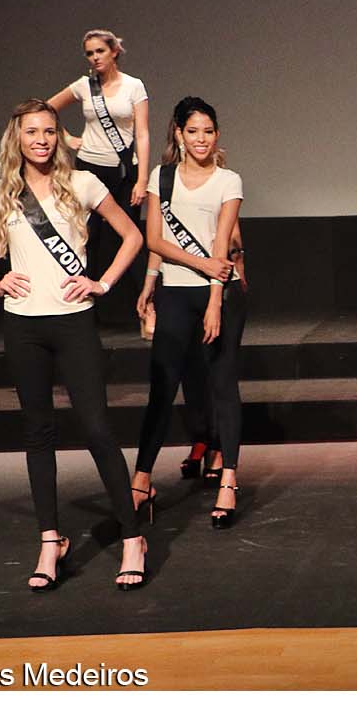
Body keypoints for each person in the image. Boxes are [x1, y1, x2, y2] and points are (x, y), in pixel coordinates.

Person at [0, 99, 148, 590]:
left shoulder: (82, 183)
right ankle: (50, 540)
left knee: (98, 429)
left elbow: (132, 236)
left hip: (75, 323)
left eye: (50, 131)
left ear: (59, 136)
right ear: (17, 137)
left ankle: (132, 537)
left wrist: (102, 282)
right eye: (32, 131)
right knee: (38, 433)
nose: (41, 139)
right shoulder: (0, 192)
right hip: (24, 327)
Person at [130, 97, 247, 529]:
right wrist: (156, 280)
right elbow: (155, 241)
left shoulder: (228, 181)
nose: (201, 139)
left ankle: (229, 479)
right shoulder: (161, 178)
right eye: (193, 131)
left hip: (221, 295)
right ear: (178, 133)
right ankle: (141, 481)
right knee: (163, 386)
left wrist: (216, 299)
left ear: (217, 135)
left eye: (209, 131)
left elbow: (222, 246)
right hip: (178, 292)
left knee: (223, 384)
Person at [46, 29, 150, 318]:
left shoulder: (133, 86)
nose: (94, 58)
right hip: (89, 170)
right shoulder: (84, 86)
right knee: (84, 237)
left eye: (100, 51)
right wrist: (66, 138)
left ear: (114, 51)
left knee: (130, 238)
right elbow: (46, 109)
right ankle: (77, 306)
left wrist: (141, 179)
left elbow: (141, 134)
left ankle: (146, 309)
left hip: (123, 172)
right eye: (90, 53)